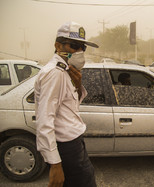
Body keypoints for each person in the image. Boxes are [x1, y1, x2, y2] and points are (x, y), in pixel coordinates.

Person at [34, 21, 99, 187]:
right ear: (58, 45)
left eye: (82, 47)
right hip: (67, 147)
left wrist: (77, 84)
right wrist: (55, 164)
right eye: (74, 46)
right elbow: (44, 120)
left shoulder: (66, 71)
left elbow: (69, 108)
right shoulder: (54, 73)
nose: (79, 51)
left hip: (74, 143)